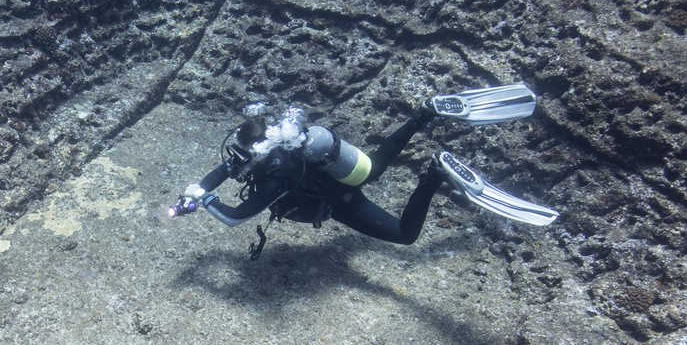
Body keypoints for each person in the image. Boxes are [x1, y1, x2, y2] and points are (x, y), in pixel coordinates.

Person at [172, 84, 556, 257]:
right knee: (374, 166)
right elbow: (224, 170)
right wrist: (196, 191)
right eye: (238, 156)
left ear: (260, 152)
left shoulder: (274, 180)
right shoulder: (273, 149)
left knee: (404, 236)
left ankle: (435, 175)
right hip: (335, 178)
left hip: (338, 202)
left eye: (242, 157)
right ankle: (423, 114)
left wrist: (205, 201)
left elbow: (235, 217)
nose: (236, 163)